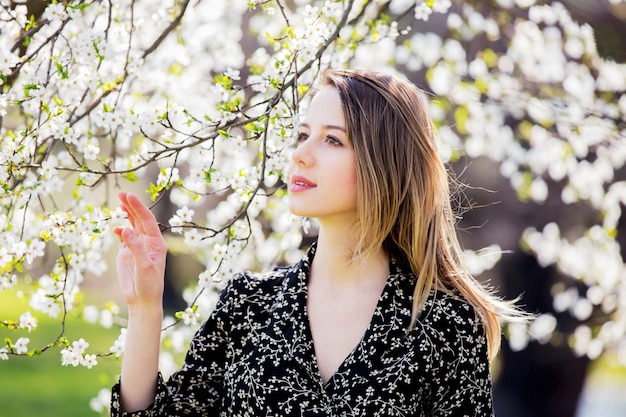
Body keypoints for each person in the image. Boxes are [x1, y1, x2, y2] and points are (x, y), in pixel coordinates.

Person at [110, 69, 526, 416]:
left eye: (332, 140)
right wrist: (145, 309)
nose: (300, 155)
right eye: (302, 135)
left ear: (384, 163)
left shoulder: (445, 323)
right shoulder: (248, 305)